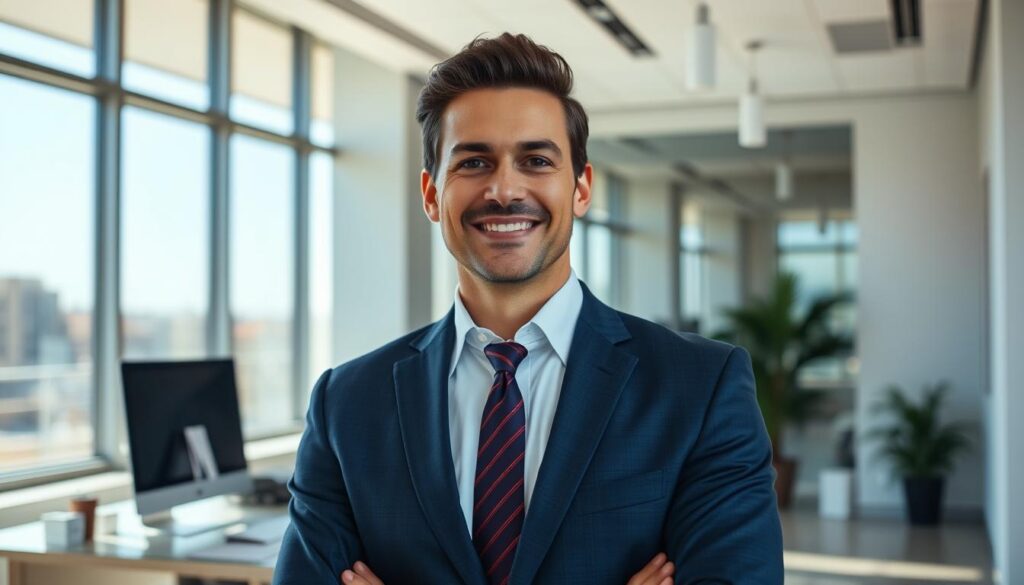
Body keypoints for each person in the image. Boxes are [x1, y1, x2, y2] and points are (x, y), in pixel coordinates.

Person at [274, 33, 783, 585]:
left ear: (581, 189)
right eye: (473, 162)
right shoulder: (346, 404)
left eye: (536, 160)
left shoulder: (700, 387)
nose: (504, 189)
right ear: (430, 194)